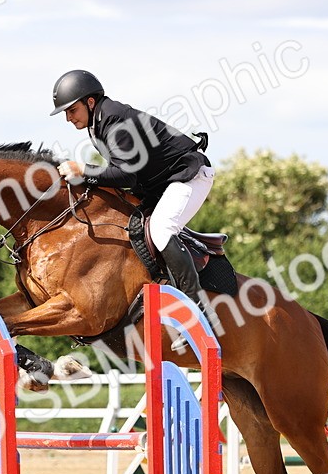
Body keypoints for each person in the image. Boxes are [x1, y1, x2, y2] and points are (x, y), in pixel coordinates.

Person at [50, 69, 218, 334]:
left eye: (71, 110)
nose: (69, 118)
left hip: (189, 177)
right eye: (66, 113)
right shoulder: (99, 123)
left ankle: (199, 314)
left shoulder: (114, 120)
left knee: (161, 229)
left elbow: (126, 174)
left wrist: (84, 171)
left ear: (90, 102)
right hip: (161, 184)